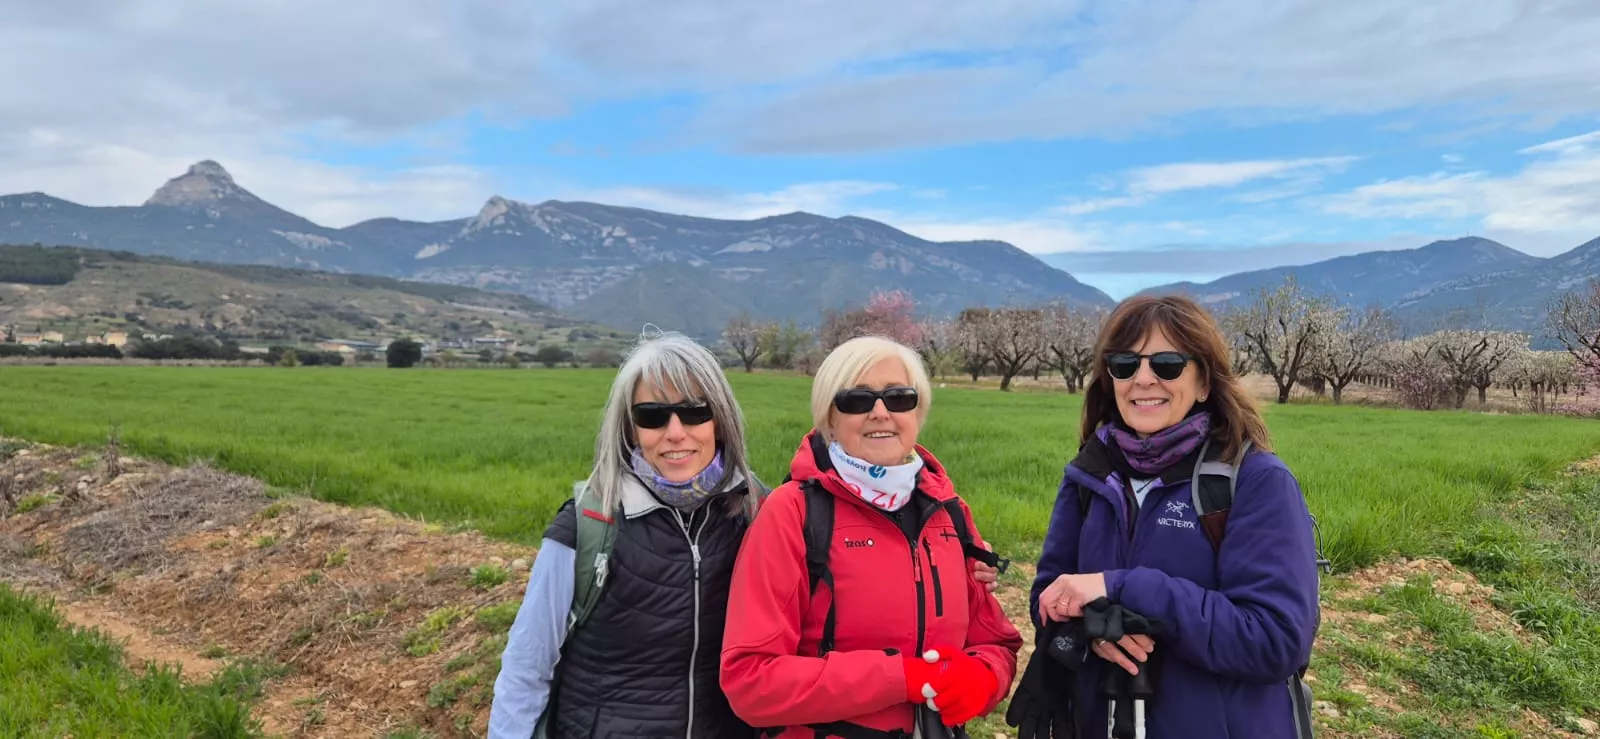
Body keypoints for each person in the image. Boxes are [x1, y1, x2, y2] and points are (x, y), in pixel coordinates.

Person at [1015, 295, 1321, 738]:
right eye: (1124, 364)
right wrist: (1098, 627)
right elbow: (1049, 596)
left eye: (1167, 364)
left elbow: (1275, 640)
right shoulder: (1090, 475)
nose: (1143, 379)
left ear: (1203, 382)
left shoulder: (1254, 481)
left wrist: (1125, 589)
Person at [720, 335, 1023, 738]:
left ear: (918, 413)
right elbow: (750, 681)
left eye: (899, 397)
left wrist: (985, 676)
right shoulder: (793, 513)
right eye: (857, 400)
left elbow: (996, 641)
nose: (880, 412)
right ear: (829, 418)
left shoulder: (948, 511)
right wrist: (901, 677)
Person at [487, 330, 767, 739]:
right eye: (652, 416)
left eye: (694, 411)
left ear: (720, 422)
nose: (675, 432)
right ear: (630, 429)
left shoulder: (757, 514)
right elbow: (527, 666)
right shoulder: (588, 525)